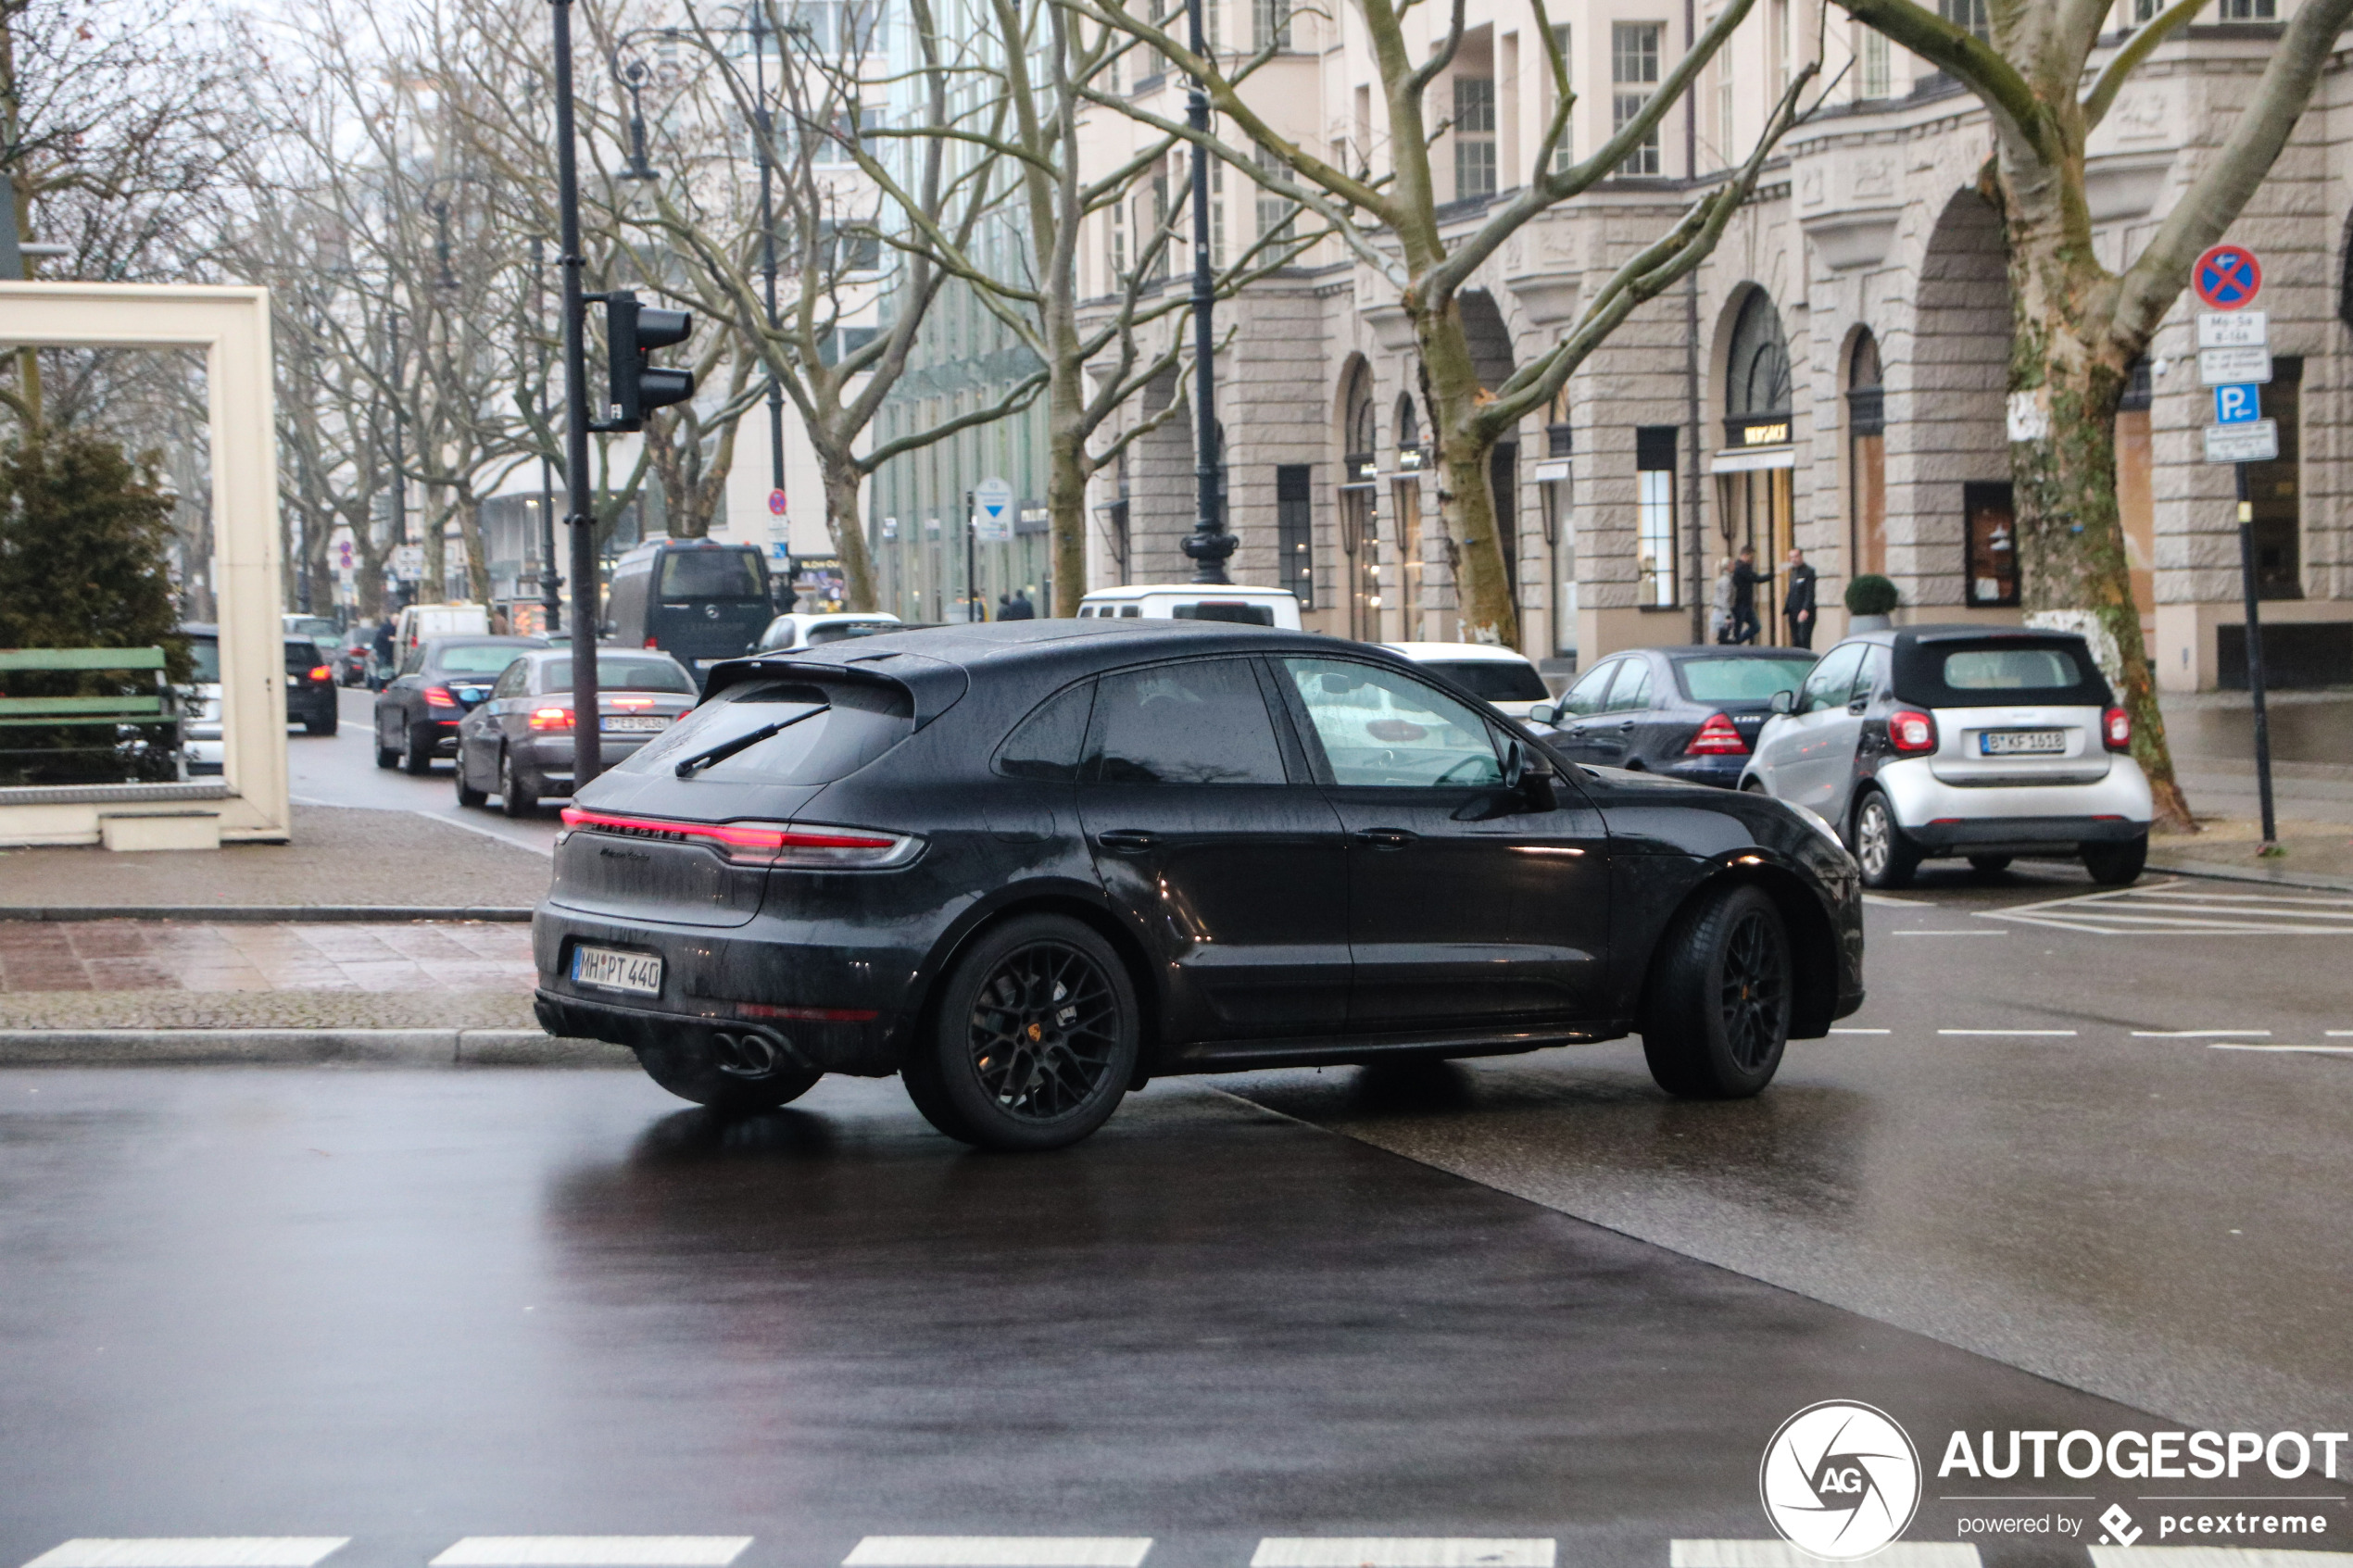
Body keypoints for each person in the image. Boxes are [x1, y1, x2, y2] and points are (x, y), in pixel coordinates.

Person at [1730, 546, 1771, 646]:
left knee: (1755, 626)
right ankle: (1735, 644)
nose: (1752, 560)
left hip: (1746, 604)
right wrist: (1773, 575)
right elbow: (1757, 578)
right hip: (1739, 605)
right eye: (1751, 557)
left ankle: (1737, 642)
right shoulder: (1740, 568)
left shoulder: (1743, 567)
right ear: (1744, 555)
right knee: (1737, 630)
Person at [1781, 547, 1818, 649]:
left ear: (1801, 557)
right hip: (1793, 611)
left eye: (1796, 556)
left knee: (1804, 640)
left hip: (1804, 612)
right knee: (1795, 640)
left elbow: (1810, 592)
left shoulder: (1808, 572)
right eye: (1791, 557)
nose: (1794, 559)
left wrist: (1805, 609)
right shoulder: (1793, 572)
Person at [1709, 558, 1735, 644]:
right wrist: (1728, 616)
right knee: (1724, 638)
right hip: (1722, 614)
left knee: (1723, 638)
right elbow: (1725, 599)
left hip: (1720, 612)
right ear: (1728, 566)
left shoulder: (1725, 579)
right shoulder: (1726, 580)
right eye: (1732, 564)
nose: (1734, 566)